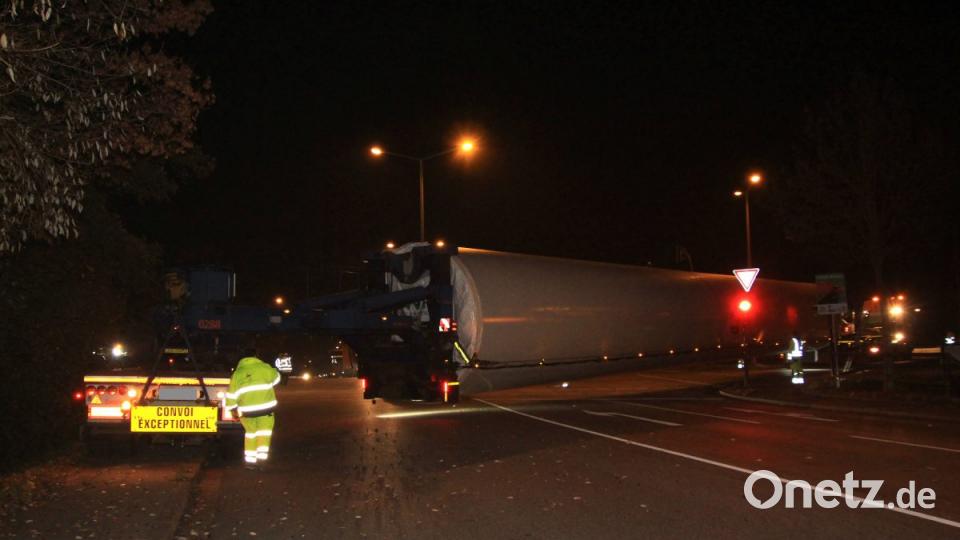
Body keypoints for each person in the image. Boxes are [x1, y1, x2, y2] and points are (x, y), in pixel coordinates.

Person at [225, 349, 281, 469]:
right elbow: (277, 379)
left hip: (246, 412)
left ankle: (250, 462)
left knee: (250, 434)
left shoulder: (237, 374)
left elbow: (231, 394)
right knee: (264, 434)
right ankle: (262, 461)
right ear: (256, 356)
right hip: (265, 411)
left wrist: (232, 409)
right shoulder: (264, 368)